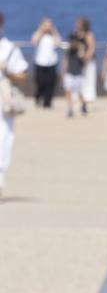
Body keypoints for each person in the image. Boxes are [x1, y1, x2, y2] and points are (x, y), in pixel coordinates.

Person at [0, 12, 30, 198]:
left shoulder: (9, 48)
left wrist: (6, 71)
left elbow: (22, 76)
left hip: (3, 99)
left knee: (3, 139)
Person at [29, 18, 60, 108]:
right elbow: (33, 41)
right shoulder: (39, 34)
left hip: (52, 63)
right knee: (40, 82)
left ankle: (47, 102)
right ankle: (38, 97)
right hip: (40, 62)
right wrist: (41, 30)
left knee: (50, 83)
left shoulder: (53, 35)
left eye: (49, 25)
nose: (48, 27)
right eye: (46, 25)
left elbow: (58, 43)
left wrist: (53, 31)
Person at [64, 23, 90, 117]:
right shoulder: (68, 50)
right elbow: (65, 61)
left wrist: (80, 49)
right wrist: (64, 73)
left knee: (79, 92)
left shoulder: (80, 49)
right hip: (70, 73)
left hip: (78, 73)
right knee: (68, 91)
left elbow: (84, 58)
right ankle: (70, 108)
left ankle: (83, 105)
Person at [77, 17, 98, 106]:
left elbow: (91, 47)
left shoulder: (89, 34)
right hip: (80, 61)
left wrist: (86, 57)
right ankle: (81, 97)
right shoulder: (77, 34)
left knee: (90, 78)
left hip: (89, 61)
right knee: (81, 79)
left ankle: (90, 98)